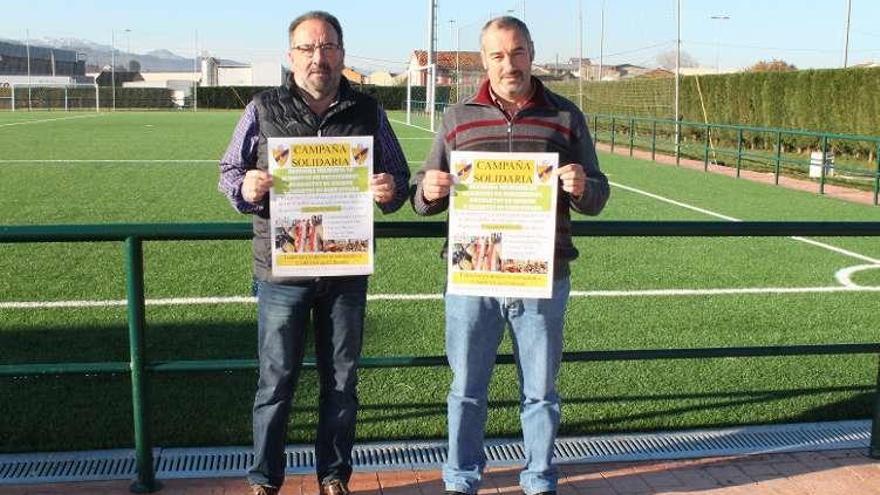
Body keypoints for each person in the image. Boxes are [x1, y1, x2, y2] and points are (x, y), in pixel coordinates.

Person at [410, 16, 610, 495]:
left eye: (517, 52)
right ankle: (461, 479)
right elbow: (420, 195)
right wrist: (431, 190)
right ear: (484, 60)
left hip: (543, 278)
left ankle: (539, 479)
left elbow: (599, 195)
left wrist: (583, 187)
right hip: (472, 279)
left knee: (540, 393)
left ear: (532, 53)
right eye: (498, 55)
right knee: (466, 391)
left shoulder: (566, 116)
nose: (509, 64)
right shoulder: (458, 117)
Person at [218, 11, 410, 495]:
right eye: (306, 48)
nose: (317, 57)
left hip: (345, 272)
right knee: (276, 382)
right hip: (282, 273)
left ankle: (333, 476)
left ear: (342, 54)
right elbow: (227, 173)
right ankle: (264, 479)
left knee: (341, 384)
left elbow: (400, 178)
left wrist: (390, 188)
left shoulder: (370, 112)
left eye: (326, 47)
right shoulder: (262, 108)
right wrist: (248, 185)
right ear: (291, 56)